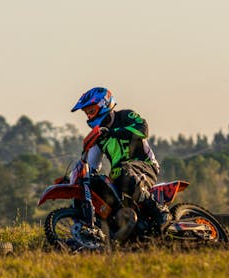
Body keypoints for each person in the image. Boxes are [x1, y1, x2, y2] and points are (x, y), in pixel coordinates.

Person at [71, 87, 169, 233]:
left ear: (104, 105)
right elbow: (92, 166)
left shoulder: (125, 116)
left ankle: (158, 209)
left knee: (121, 171)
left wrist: (113, 132)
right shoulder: (100, 137)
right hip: (121, 173)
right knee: (98, 183)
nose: (89, 117)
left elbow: (143, 130)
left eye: (91, 111)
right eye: (87, 114)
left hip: (145, 165)